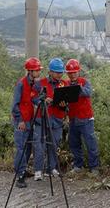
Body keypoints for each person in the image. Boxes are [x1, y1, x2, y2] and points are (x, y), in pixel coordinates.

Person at [33, 57, 68, 181]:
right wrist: (43, 100)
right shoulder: (40, 83)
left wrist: (65, 105)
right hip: (41, 119)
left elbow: (68, 100)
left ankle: (51, 168)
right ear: (50, 72)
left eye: (61, 72)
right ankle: (38, 170)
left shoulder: (64, 84)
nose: (60, 75)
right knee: (40, 145)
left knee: (54, 144)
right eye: (57, 72)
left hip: (57, 119)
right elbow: (33, 98)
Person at [11, 57, 42, 188]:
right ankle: (20, 175)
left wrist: (43, 99)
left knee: (28, 147)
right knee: (21, 148)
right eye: (37, 70)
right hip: (22, 122)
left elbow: (33, 100)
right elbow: (15, 105)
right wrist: (20, 120)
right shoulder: (21, 84)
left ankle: (24, 170)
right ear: (30, 71)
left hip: (30, 120)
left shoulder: (33, 84)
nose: (39, 72)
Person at [66, 58, 100, 175]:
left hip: (86, 118)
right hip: (73, 118)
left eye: (74, 72)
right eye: (70, 73)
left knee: (90, 143)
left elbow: (88, 93)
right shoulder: (66, 84)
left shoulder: (84, 82)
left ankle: (94, 167)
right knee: (74, 143)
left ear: (78, 72)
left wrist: (77, 87)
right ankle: (78, 166)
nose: (72, 75)